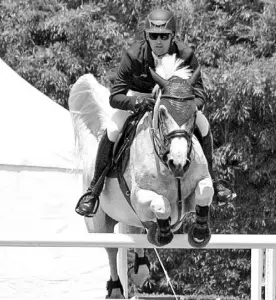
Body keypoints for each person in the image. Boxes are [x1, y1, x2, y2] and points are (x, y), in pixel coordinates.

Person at [75, 8, 234, 217]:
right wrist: (140, 101)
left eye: (164, 36)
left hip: (175, 104)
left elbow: (200, 94)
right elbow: (115, 97)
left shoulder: (185, 55)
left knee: (203, 125)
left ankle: (213, 179)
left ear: (172, 37)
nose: (159, 41)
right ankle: (94, 189)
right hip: (138, 98)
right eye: (154, 36)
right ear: (146, 37)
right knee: (113, 130)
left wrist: (184, 105)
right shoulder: (133, 56)